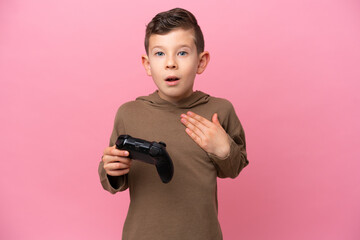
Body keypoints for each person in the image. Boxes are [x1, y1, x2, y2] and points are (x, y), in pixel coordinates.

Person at [98, 8, 249, 240]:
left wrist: (223, 148)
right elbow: (114, 182)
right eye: (160, 54)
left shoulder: (220, 110)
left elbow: (234, 167)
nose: (170, 63)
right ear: (147, 64)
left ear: (201, 61)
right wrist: (111, 169)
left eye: (182, 53)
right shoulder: (129, 113)